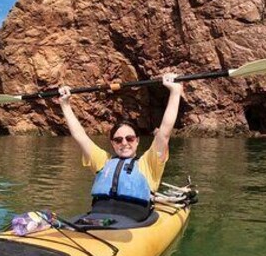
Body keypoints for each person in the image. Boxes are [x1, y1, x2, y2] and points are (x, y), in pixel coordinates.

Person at [57, 74, 183, 222]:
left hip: (131, 221)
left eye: (129, 138)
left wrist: (175, 92)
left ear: (137, 141)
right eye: (118, 140)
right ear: (112, 143)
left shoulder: (149, 164)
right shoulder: (102, 162)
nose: (124, 143)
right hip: (98, 217)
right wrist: (65, 105)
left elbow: (165, 132)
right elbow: (80, 136)